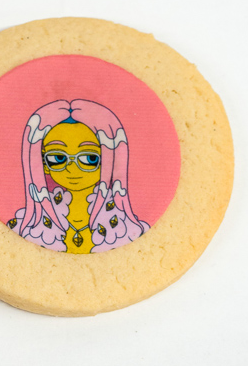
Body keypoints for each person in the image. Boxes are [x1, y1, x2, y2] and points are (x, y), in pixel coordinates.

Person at [8, 99, 147, 253]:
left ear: (110, 160)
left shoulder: (127, 228)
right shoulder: (29, 226)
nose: (72, 168)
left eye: (90, 158)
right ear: (43, 164)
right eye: (58, 158)